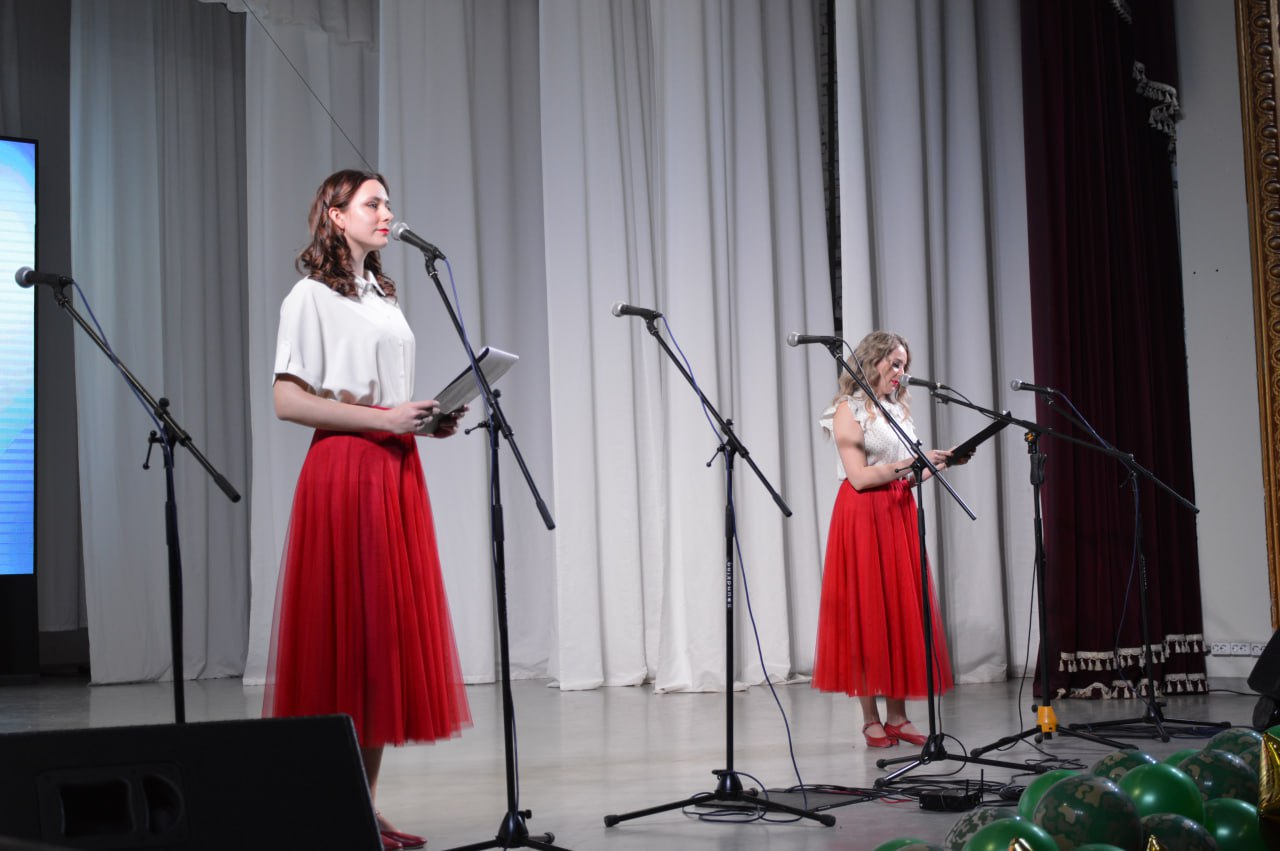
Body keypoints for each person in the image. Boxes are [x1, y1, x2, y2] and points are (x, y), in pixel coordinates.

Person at [263, 169, 472, 850]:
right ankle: (328, 808)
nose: (386, 213)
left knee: (380, 647)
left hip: (394, 468)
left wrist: (421, 422)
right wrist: (384, 419)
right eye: (372, 203)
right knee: (344, 641)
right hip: (347, 471)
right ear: (336, 214)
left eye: (387, 202)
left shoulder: (382, 293)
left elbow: (387, 395)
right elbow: (288, 399)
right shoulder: (310, 296)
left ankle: (363, 805)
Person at [811, 330, 964, 749]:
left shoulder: (897, 410)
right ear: (873, 361)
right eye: (894, 363)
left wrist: (938, 464)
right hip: (862, 515)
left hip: (897, 511)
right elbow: (860, 478)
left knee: (899, 611)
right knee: (867, 614)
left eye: (904, 365)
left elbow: (905, 475)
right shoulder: (847, 410)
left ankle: (897, 717)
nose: (900, 372)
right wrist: (910, 463)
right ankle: (870, 719)